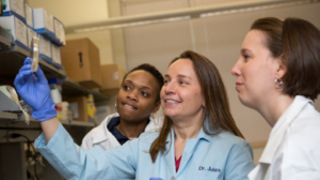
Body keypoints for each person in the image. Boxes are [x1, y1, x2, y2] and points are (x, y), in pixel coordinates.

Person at [15, 50, 254, 180]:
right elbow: (85, 168)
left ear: (206, 96)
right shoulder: (145, 146)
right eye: (168, 81)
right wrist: (46, 113)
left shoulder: (232, 149)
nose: (169, 88)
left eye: (182, 82)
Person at [231, 17, 320, 180]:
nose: (234, 69)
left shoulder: (296, 148)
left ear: (281, 67)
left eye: (246, 57)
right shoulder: (297, 135)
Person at [81, 64, 164, 151]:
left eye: (143, 93)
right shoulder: (91, 140)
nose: (132, 95)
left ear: (156, 106)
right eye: (127, 87)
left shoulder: (165, 140)